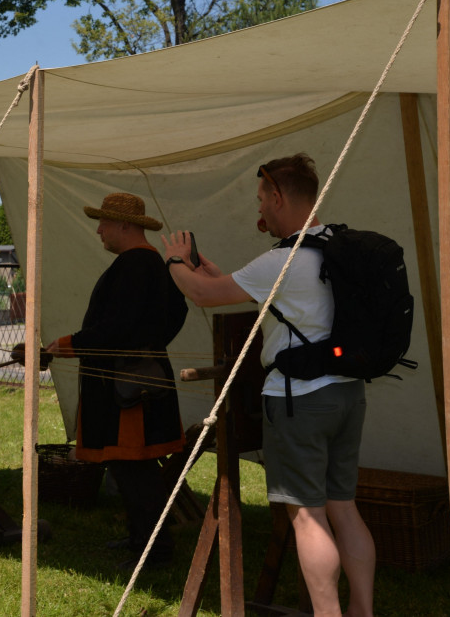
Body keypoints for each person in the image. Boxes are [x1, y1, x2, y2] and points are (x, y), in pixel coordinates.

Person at [161, 153, 374, 617]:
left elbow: (201, 294)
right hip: (347, 393)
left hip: (300, 401)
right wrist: (217, 274)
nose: (258, 208)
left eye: (261, 198)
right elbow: (261, 292)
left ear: (278, 196)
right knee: (343, 507)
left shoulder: (284, 260)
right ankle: (362, 610)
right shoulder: (338, 247)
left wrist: (176, 261)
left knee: (308, 518)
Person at [45, 192, 187, 568]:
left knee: (134, 466)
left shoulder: (136, 265)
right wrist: (150, 344)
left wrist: (71, 344)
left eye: (103, 223)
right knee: (128, 467)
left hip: (130, 386)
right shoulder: (148, 264)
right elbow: (176, 311)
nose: (99, 231)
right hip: (135, 377)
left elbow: (119, 325)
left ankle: (155, 551)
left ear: (124, 225)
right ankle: (142, 538)